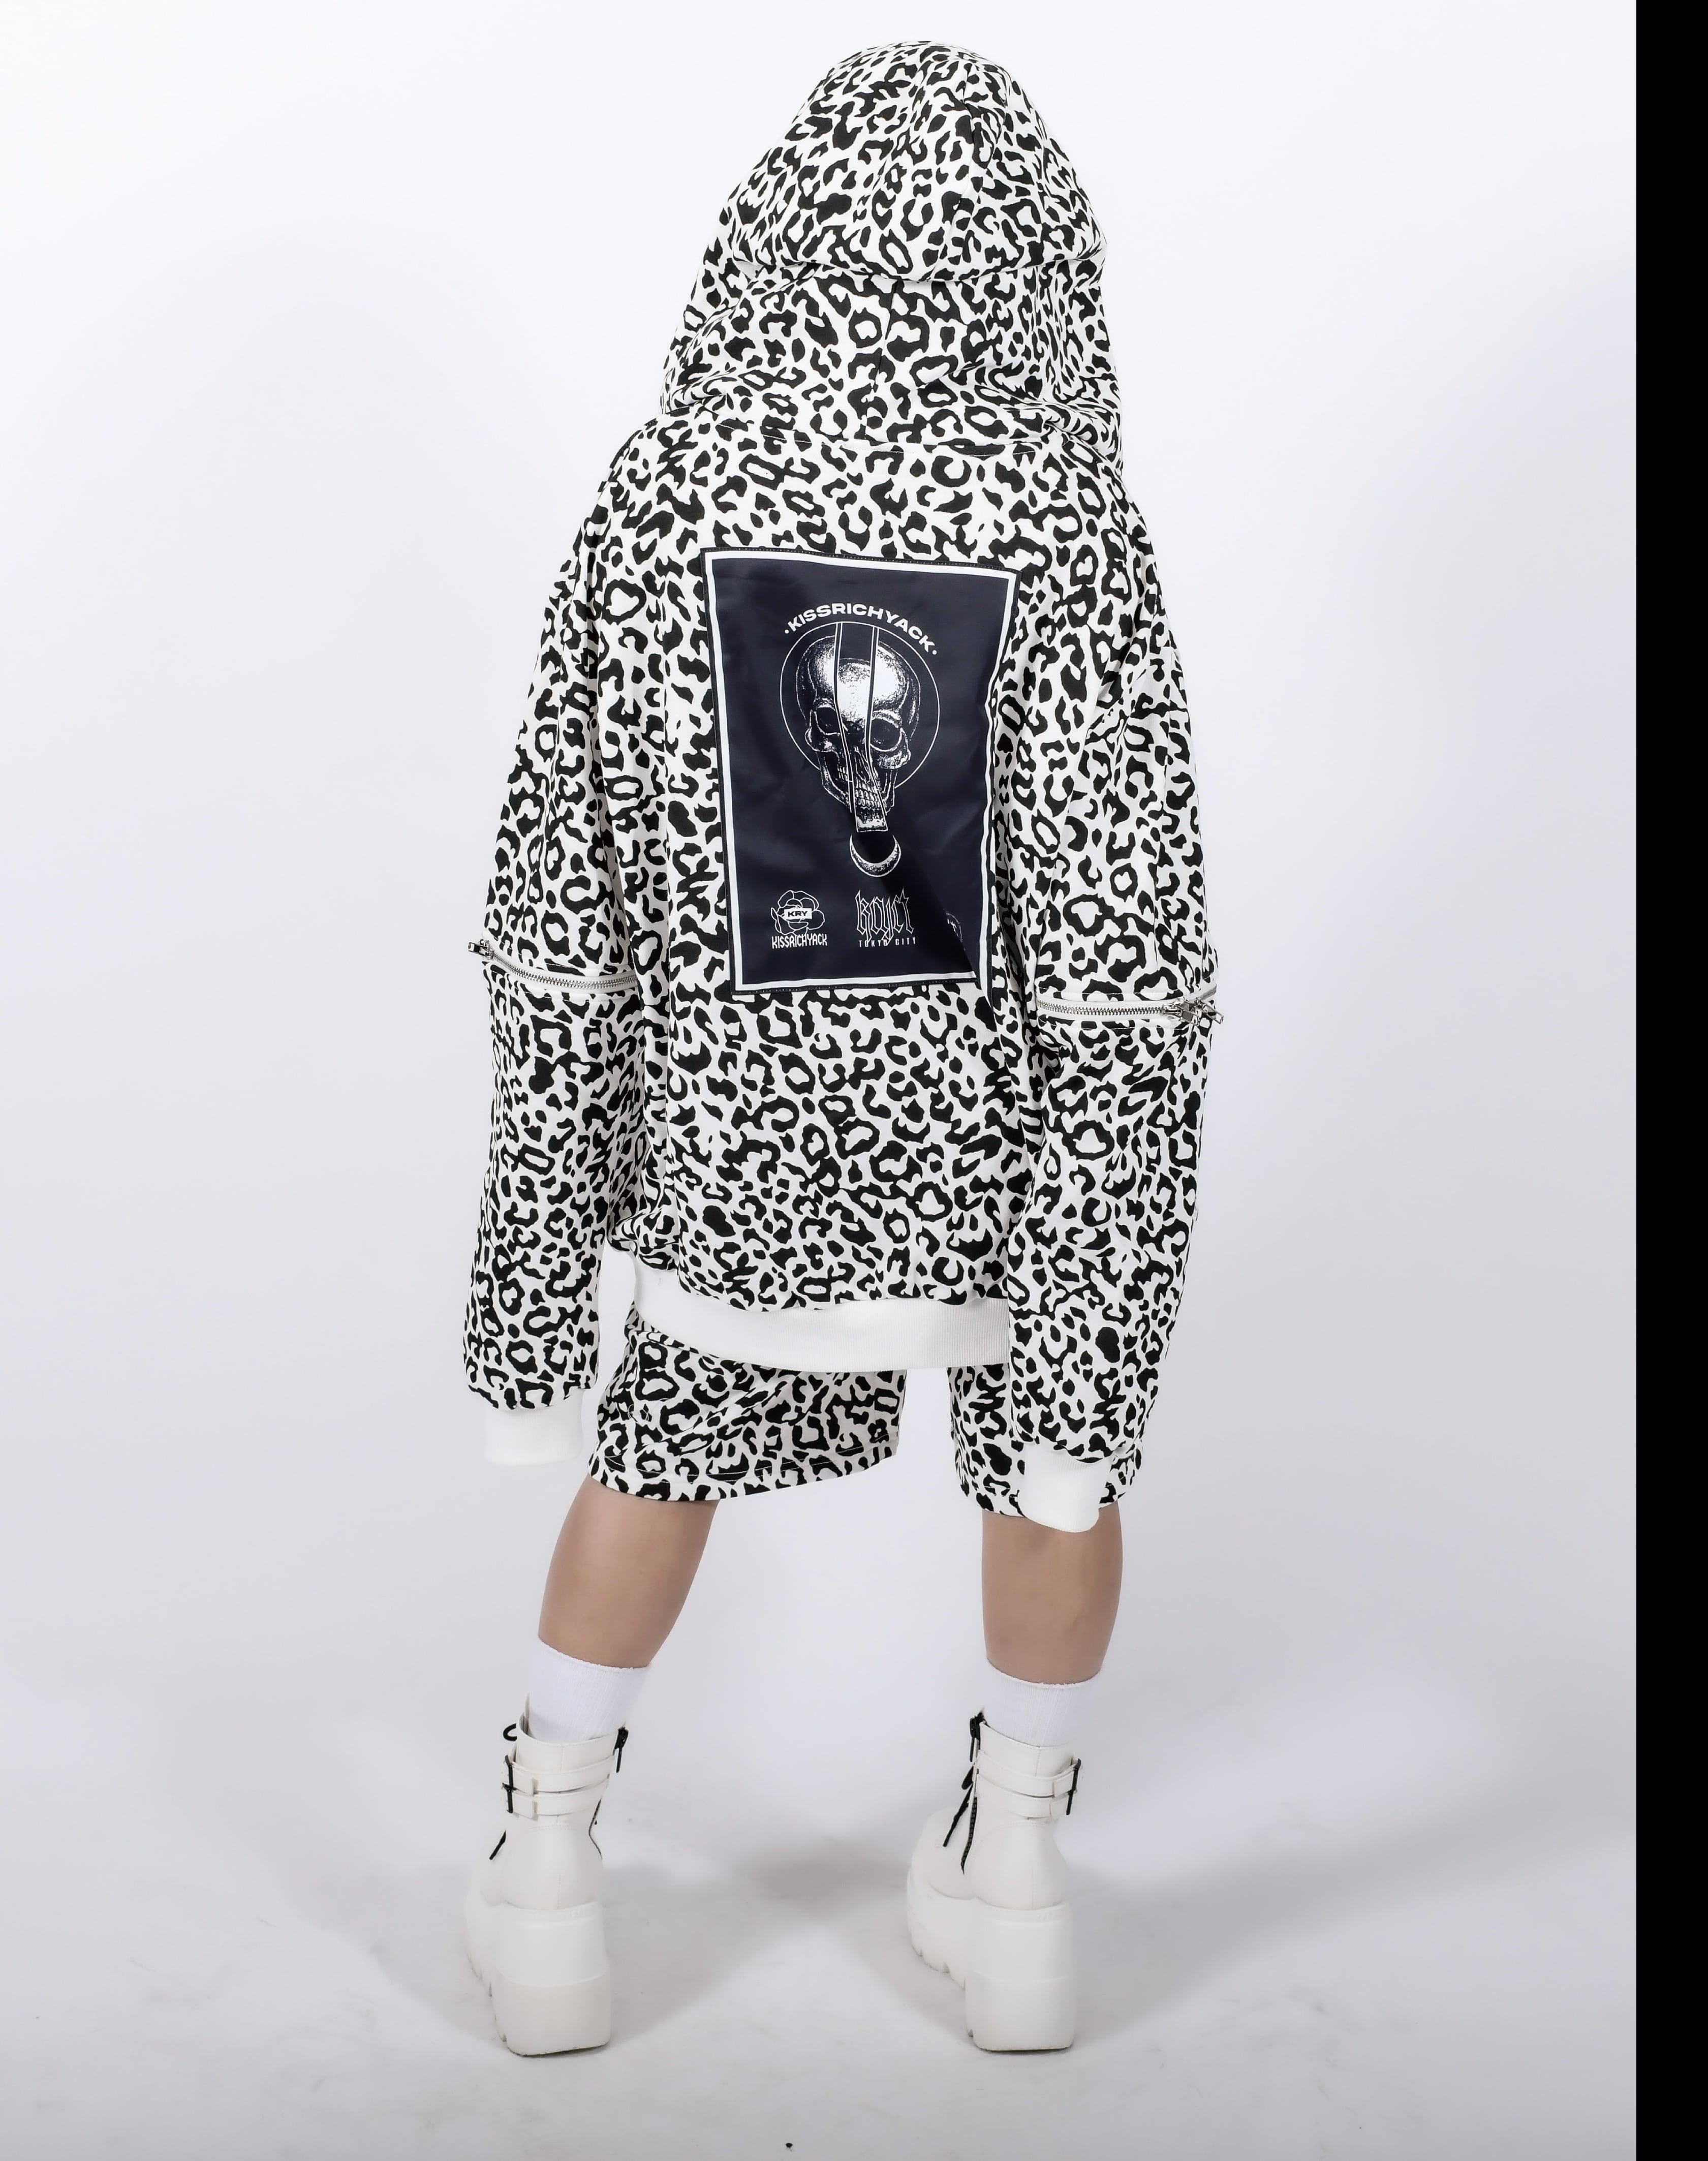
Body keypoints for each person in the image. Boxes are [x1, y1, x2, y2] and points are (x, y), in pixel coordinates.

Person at [457, 43, 1216, 2058]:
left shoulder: (660, 491)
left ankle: (545, 1865)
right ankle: (1018, 1878)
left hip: (737, 1148)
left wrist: (538, 1251)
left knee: (657, 1444)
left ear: (772, 229)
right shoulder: (1068, 514)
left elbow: (557, 863)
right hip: (1002, 1146)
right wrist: (1114, 1182)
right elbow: (1126, 905)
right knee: (1054, 1474)